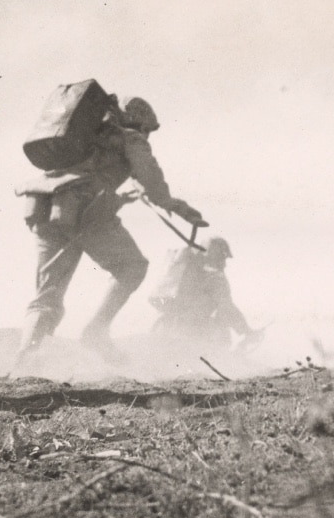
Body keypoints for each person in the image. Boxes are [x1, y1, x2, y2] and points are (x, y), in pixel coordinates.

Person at [14, 95, 206, 366]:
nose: (148, 136)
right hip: (87, 211)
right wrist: (178, 207)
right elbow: (149, 177)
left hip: (47, 209)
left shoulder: (84, 137)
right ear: (139, 123)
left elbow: (77, 176)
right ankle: (96, 331)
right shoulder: (130, 137)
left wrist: (117, 199)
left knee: (48, 293)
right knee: (133, 266)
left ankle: (25, 360)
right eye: (148, 130)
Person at [149, 236, 257, 354]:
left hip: (164, 326)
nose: (225, 264)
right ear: (216, 257)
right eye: (223, 258)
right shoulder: (215, 279)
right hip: (193, 332)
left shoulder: (188, 273)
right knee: (222, 330)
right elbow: (226, 307)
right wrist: (246, 331)